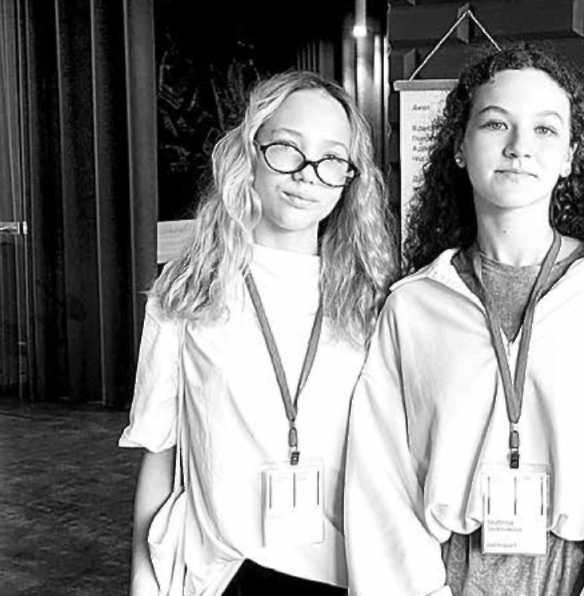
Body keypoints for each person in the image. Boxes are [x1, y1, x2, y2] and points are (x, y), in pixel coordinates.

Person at [345, 45, 584, 595]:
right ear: (459, 147)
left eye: (545, 129)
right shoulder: (414, 305)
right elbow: (380, 479)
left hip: (579, 576)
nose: (519, 146)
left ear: (570, 156)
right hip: (447, 575)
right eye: (495, 123)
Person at [120, 71, 396, 595]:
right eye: (287, 148)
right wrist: (142, 578)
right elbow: (160, 453)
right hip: (219, 572)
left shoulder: (375, 298)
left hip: (341, 570)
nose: (308, 174)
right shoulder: (188, 290)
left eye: (331, 158)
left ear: (350, 177)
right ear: (250, 152)